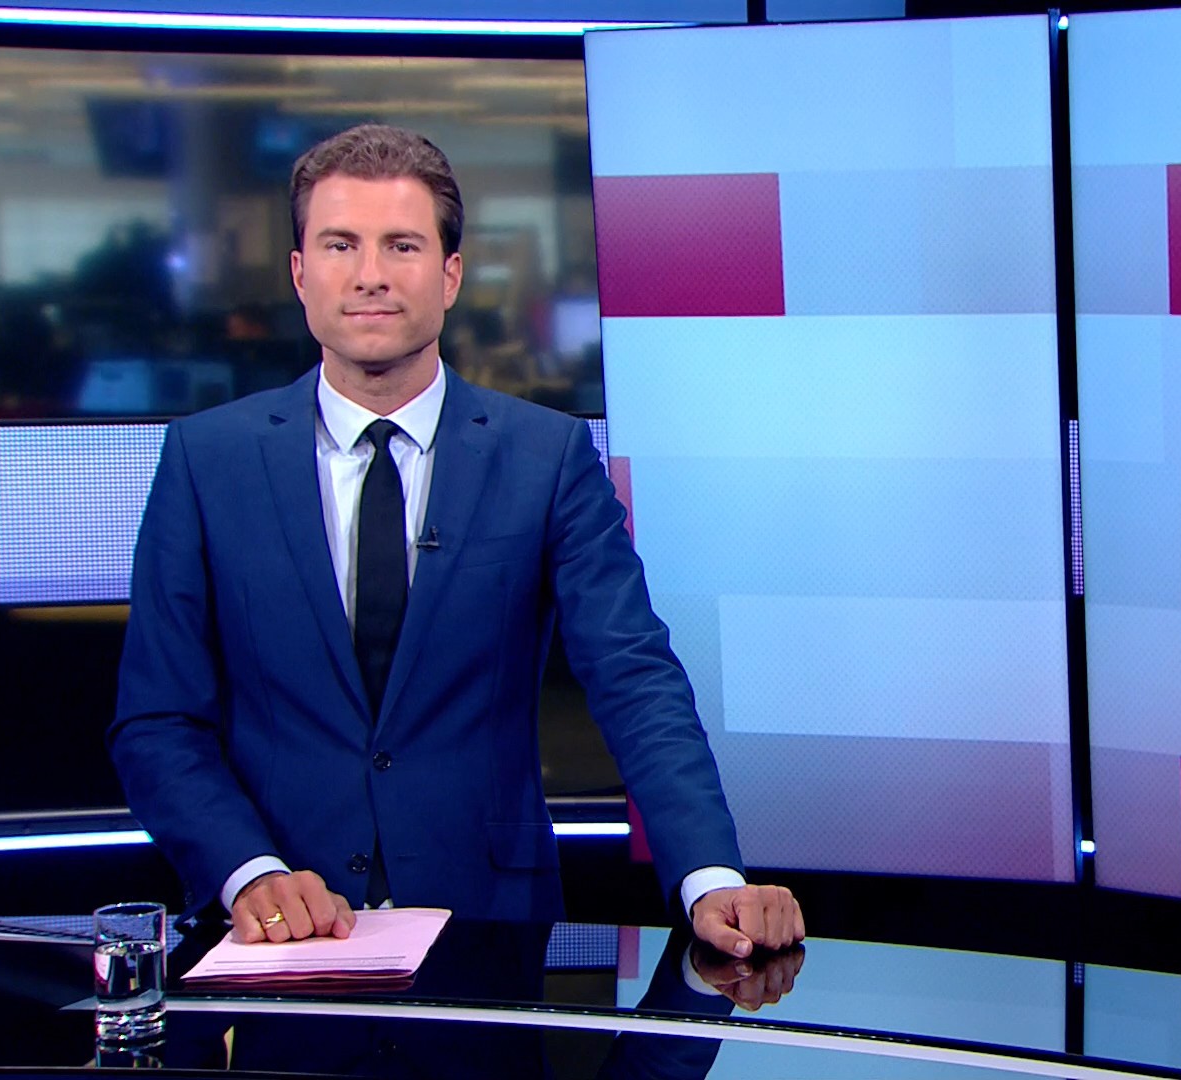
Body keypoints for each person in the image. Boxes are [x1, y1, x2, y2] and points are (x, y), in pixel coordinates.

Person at [109, 123, 802, 958]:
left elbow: (634, 678)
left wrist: (710, 877)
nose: (370, 275)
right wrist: (250, 872)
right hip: (278, 935)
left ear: (450, 275)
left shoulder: (546, 457)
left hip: (489, 924)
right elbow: (157, 720)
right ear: (299, 273)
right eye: (340, 245)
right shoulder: (205, 460)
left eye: (402, 246)